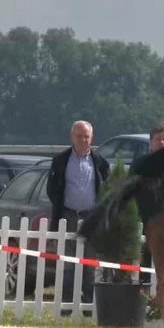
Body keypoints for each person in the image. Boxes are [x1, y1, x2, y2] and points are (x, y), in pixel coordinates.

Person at [47, 120, 110, 303]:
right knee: (67, 263)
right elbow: (52, 189)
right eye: (79, 136)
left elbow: (107, 187)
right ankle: (67, 303)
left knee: (90, 263)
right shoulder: (61, 161)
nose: (83, 140)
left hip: (90, 218)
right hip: (67, 217)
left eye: (87, 136)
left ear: (92, 138)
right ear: (72, 137)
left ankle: (89, 303)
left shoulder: (99, 162)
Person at [130, 124, 164, 283]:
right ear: (150, 142)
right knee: (146, 265)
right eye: (158, 139)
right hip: (147, 221)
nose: (162, 143)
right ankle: (145, 297)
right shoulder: (141, 164)